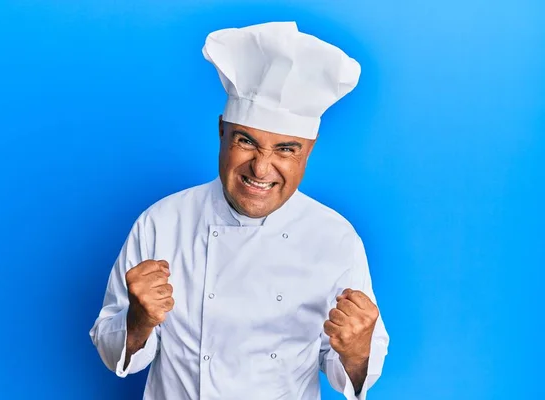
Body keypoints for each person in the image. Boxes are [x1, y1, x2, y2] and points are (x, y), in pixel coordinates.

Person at [89, 21, 389, 400]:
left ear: (308, 151)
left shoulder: (335, 238)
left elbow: (350, 372)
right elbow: (112, 350)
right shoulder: (162, 222)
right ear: (222, 132)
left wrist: (357, 349)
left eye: (285, 149)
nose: (261, 169)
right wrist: (138, 320)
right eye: (246, 141)